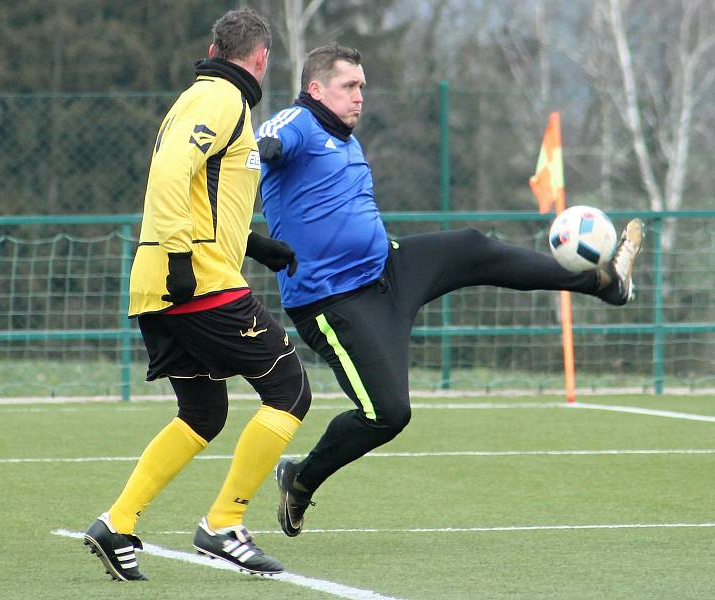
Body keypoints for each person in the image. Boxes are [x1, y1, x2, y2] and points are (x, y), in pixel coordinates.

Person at [256, 43, 644, 537]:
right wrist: (261, 149)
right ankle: (300, 480)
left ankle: (603, 283)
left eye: (362, 87)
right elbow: (269, 133)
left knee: (472, 246)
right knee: (388, 414)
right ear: (316, 89)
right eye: (349, 86)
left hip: (389, 268)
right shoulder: (297, 125)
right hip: (335, 301)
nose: (359, 97)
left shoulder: (347, 142)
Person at [83, 9, 311, 581]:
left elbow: (201, 190)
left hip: (168, 279)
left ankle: (118, 523)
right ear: (261, 59)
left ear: (214, 46)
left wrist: (255, 245)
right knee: (290, 388)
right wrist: (181, 258)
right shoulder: (221, 100)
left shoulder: (201, 96)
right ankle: (224, 525)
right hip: (195, 283)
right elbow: (169, 173)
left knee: (204, 413)